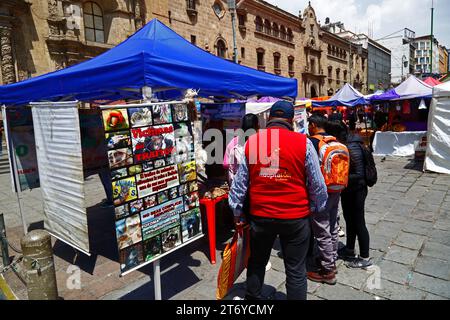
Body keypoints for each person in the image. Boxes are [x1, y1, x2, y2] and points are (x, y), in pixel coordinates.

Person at [228, 101, 328, 300]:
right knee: (296, 270)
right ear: (291, 120)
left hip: (260, 216)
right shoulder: (304, 143)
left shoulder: (253, 142)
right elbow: (318, 185)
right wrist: (317, 208)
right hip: (296, 217)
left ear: (270, 119)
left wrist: (237, 212)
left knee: (256, 262)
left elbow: (239, 184)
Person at [223, 114, 272, 272]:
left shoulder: (234, 142)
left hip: (238, 189)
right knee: (258, 224)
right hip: (257, 189)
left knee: (241, 222)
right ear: (257, 126)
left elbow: (226, 165)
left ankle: (242, 254)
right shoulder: (261, 142)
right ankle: (258, 257)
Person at [306, 116, 347, 285]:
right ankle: (332, 258)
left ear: (313, 125)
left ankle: (328, 271)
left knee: (322, 229)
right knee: (333, 224)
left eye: (309, 125)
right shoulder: (335, 141)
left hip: (321, 192)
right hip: (336, 188)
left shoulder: (312, 143)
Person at [338, 121, 372, 268]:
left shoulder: (352, 146)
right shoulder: (348, 143)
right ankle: (350, 249)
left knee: (359, 223)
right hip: (348, 190)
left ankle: (365, 257)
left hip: (357, 189)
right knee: (349, 220)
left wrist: (338, 178)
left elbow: (359, 174)